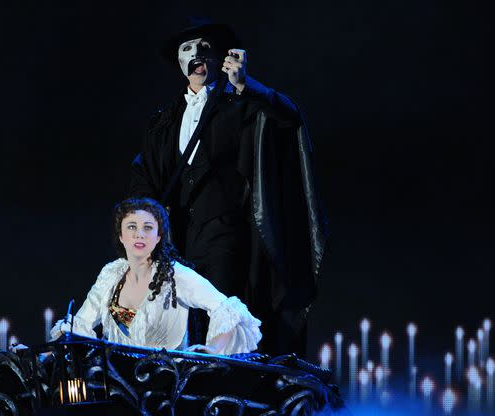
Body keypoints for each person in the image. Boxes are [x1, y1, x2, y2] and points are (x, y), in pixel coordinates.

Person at [129, 22, 327, 356]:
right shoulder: (163, 121)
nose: (196, 54)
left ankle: (221, 390)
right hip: (177, 238)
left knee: (220, 317)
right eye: (187, 48)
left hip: (226, 235)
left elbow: (288, 118)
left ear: (220, 56)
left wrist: (246, 85)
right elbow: (144, 174)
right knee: (174, 324)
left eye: (204, 46)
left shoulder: (240, 105)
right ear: (179, 62)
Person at [50, 197, 261, 355]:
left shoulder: (175, 274)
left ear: (159, 236)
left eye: (148, 228)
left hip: (165, 389)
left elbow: (229, 310)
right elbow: (80, 326)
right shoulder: (111, 275)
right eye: (132, 227)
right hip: (119, 385)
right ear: (121, 236)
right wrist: (48, 355)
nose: (139, 234)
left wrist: (212, 350)